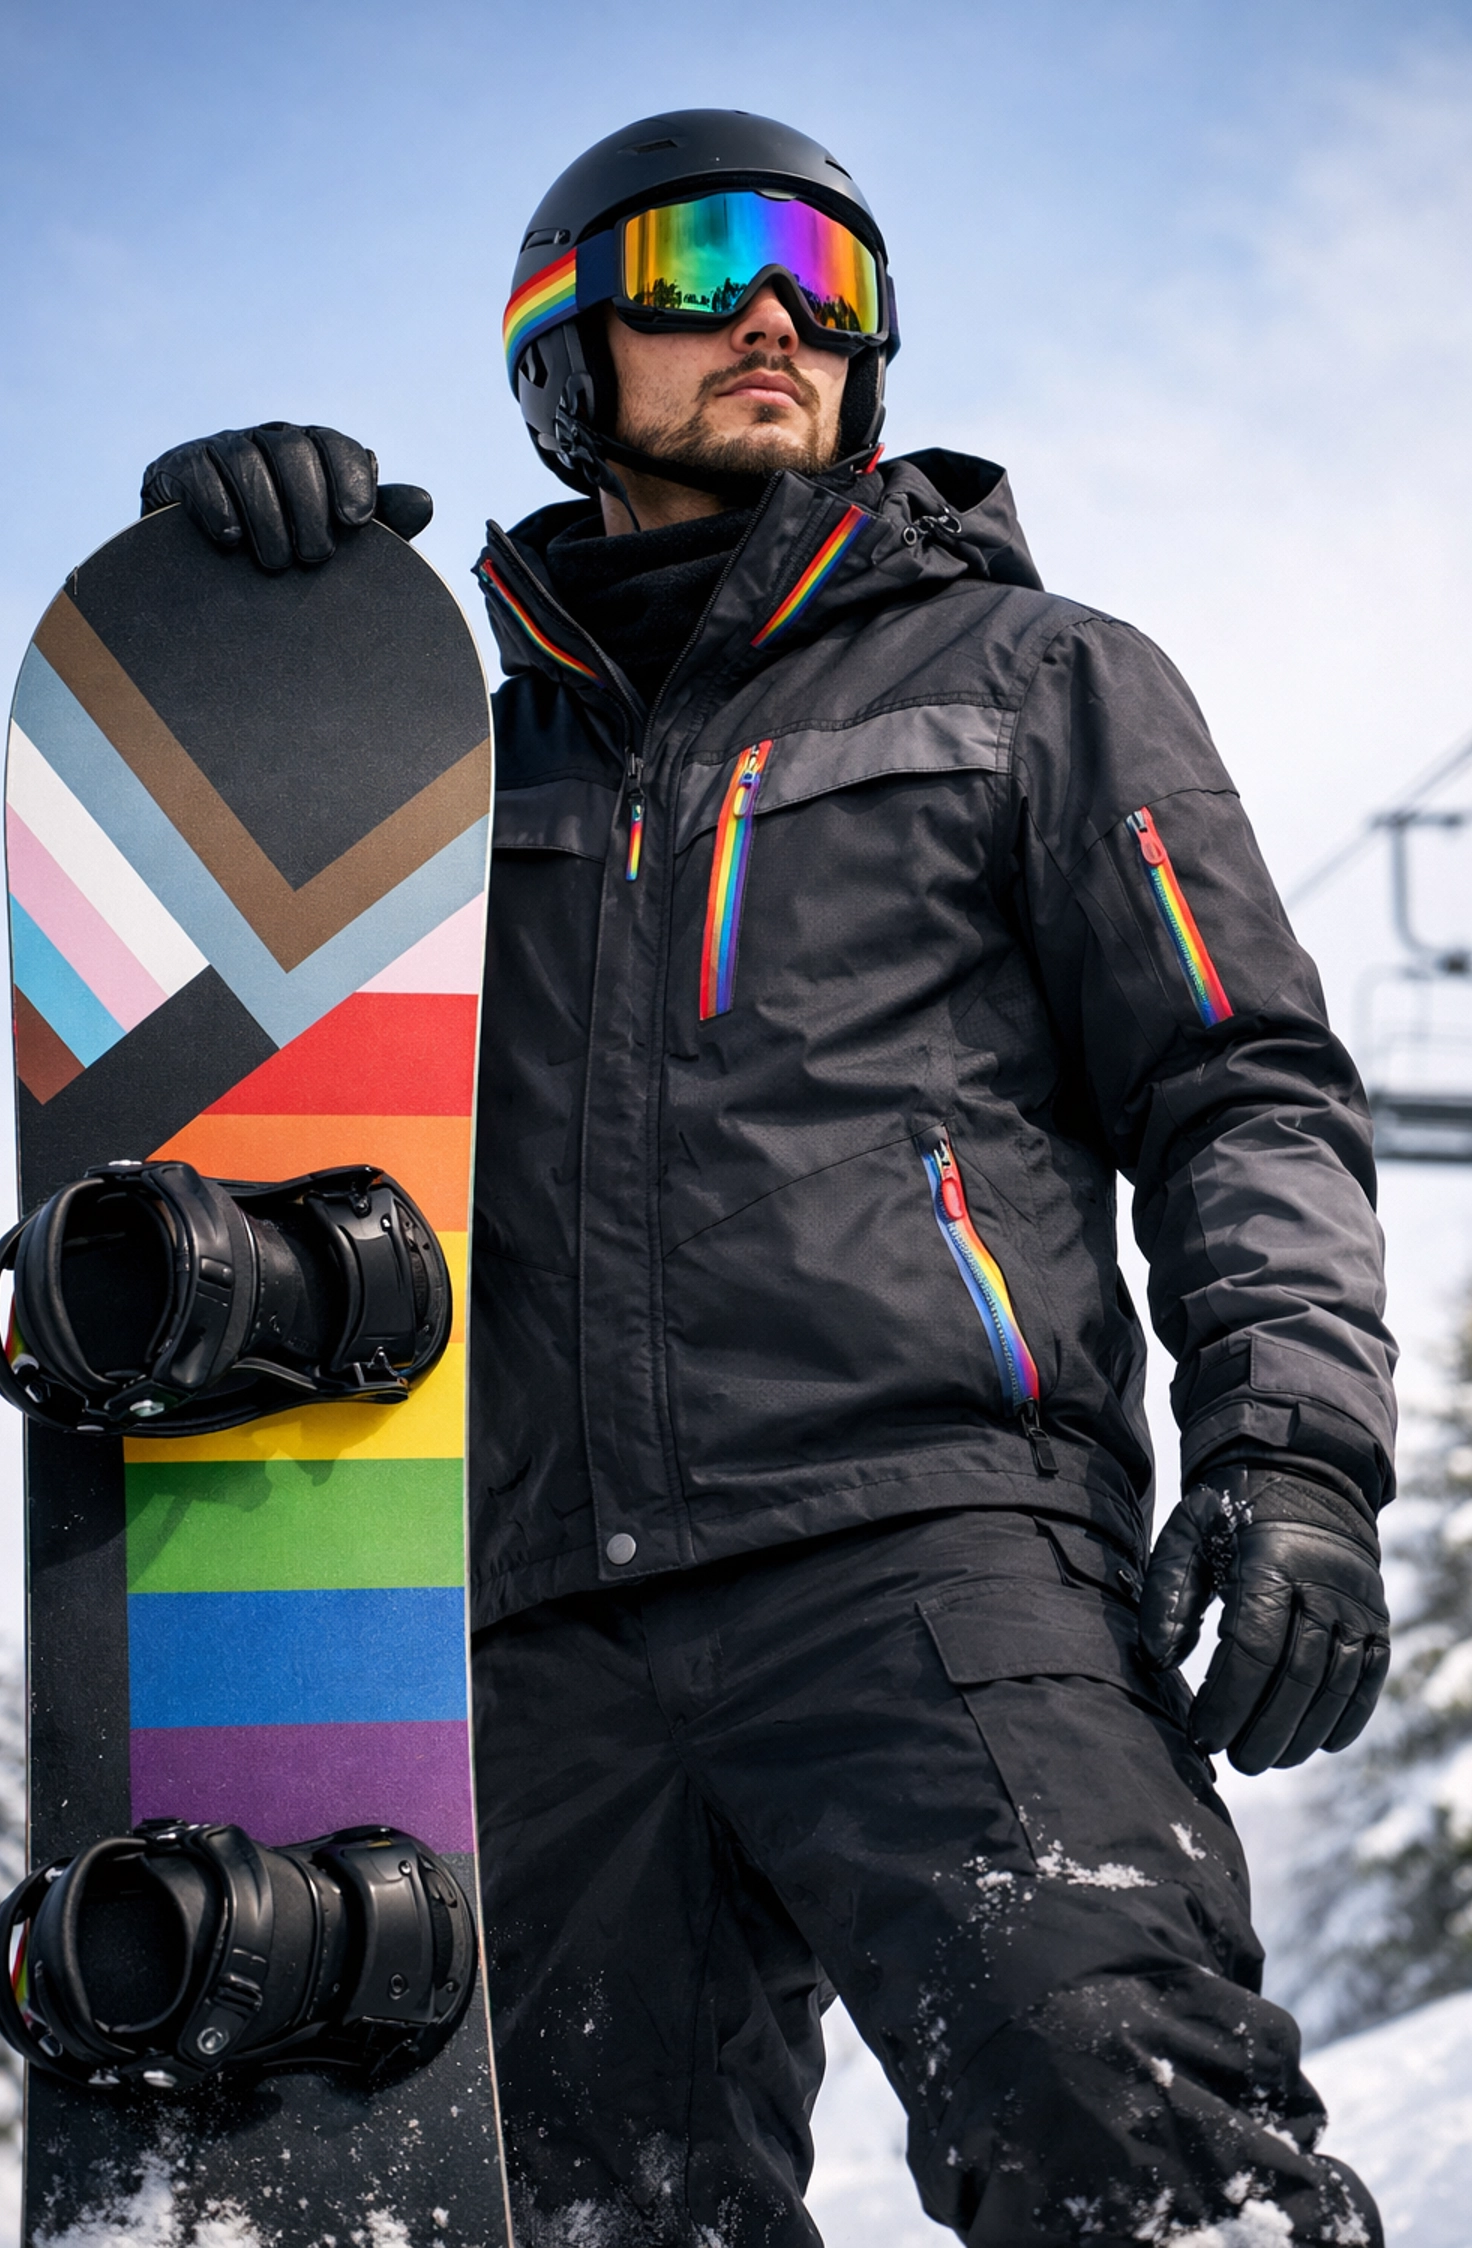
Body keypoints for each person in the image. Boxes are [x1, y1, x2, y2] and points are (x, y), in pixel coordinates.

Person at [140, 110, 1396, 2248]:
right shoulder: (439, 762)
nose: (783, 317)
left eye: (831, 276)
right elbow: (232, 1101)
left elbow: (1239, 1086)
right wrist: (236, 634)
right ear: (561, 338)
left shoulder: (1035, 681)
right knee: (581, 2222)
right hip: (535, 1628)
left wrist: (1296, 1453)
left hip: (932, 1561)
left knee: (1125, 2118)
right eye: (711, 264)